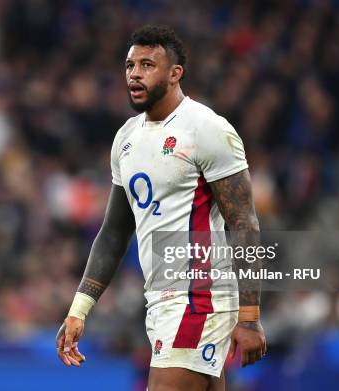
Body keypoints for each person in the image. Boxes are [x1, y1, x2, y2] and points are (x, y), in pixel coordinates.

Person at [56, 25, 266, 391]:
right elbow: (114, 231)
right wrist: (79, 308)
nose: (135, 73)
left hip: (199, 297)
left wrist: (249, 316)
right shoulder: (126, 138)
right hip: (160, 299)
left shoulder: (206, 129)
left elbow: (243, 222)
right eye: (129, 65)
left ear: (174, 74)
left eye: (148, 64)